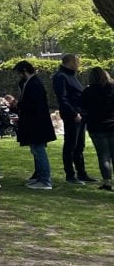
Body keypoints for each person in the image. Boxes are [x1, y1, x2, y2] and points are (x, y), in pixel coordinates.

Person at [6, 60, 56, 190]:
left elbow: (34, 105)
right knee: (36, 151)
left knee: (39, 151)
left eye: (19, 73)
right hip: (35, 123)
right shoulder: (31, 83)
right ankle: (40, 177)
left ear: (24, 71)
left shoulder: (34, 84)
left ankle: (45, 180)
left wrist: (19, 104)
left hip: (36, 123)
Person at [53, 53, 96, 184]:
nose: (79, 64)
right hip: (73, 115)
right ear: (70, 62)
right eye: (77, 61)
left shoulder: (70, 76)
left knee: (79, 145)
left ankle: (81, 173)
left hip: (80, 113)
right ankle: (70, 175)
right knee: (71, 144)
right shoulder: (61, 76)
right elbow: (63, 98)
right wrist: (73, 113)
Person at [81, 66, 114, 191]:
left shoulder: (88, 91)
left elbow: (83, 107)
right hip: (112, 125)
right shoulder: (112, 88)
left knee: (103, 156)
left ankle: (107, 182)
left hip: (96, 127)